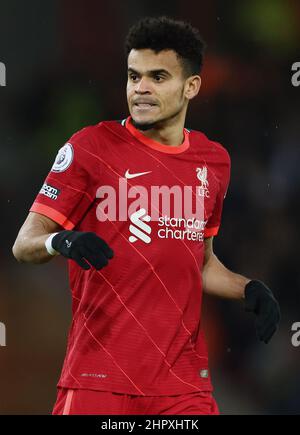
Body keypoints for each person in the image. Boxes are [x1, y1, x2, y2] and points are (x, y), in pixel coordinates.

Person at [12, 16, 280, 415]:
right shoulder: (90, 147)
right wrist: (61, 240)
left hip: (183, 388)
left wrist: (248, 288)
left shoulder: (214, 162)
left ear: (192, 86)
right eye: (133, 76)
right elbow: (23, 244)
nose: (140, 88)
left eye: (157, 77)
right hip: (99, 382)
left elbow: (201, 262)